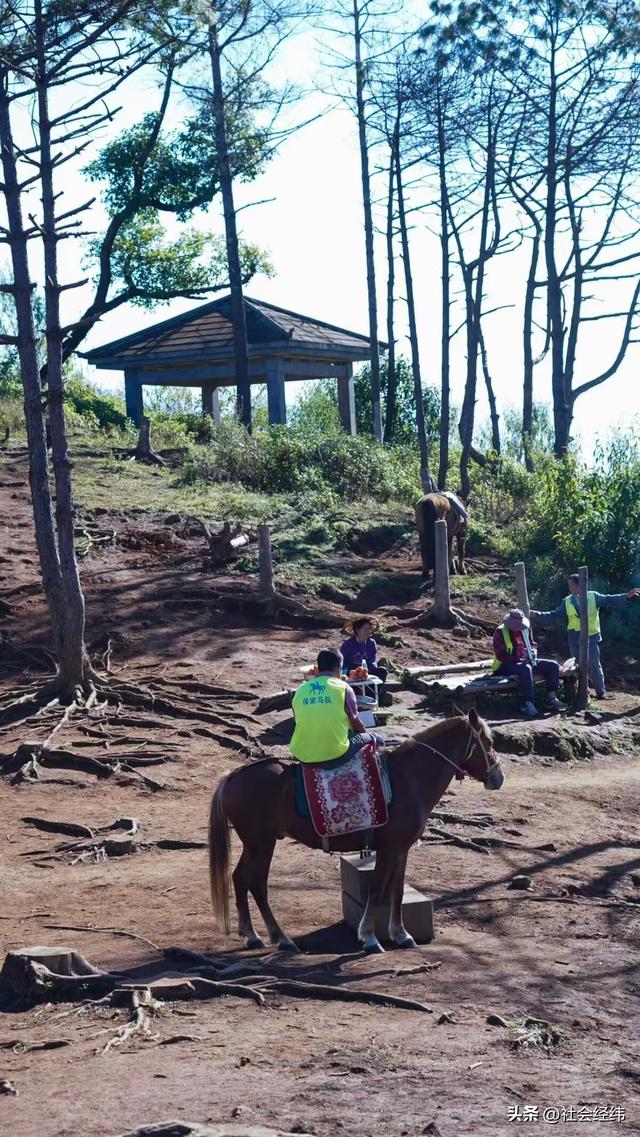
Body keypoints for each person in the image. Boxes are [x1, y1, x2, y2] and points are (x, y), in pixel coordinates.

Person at [531, 576, 640, 699]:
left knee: (594, 664)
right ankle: (583, 691)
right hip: (574, 639)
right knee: (577, 666)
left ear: (579, 585)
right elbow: (554, 615)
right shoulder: (567, 601)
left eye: (571, 585)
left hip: (591, 637)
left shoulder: (593, 596)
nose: (570, 588)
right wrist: (537, 615)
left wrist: (626, 596)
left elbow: (610, 599)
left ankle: (601, 692)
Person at [290, 648, 383, 765]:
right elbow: (355, 722)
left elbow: (297, 721)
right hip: (336, 755)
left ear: (318, 668)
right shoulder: (343, 688)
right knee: (377, 739)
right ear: (339, 667)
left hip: (301, 754)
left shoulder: (300, 690)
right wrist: (365, 735)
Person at [492, 609, 563, 717]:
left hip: (526, 661)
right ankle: (528, 703)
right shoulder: (500, 632)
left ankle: (551, 699)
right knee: (525, 669)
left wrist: (533, 651)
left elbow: (532, 644)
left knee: (552, 665)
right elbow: (500, 655)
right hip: (505, 665)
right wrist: (520, 659)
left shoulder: (525, 629)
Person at [340, 617, 388, 683]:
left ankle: (374, 690)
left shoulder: (371, 643)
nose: (368, 631)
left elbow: (372, 661)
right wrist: (347, 673)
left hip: (367, 671)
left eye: (369, 629)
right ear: (357, 630)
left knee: (382, 671)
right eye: (365, 629)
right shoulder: (348, 644)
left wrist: (365, 671)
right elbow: (343, 661)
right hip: (351, 672)